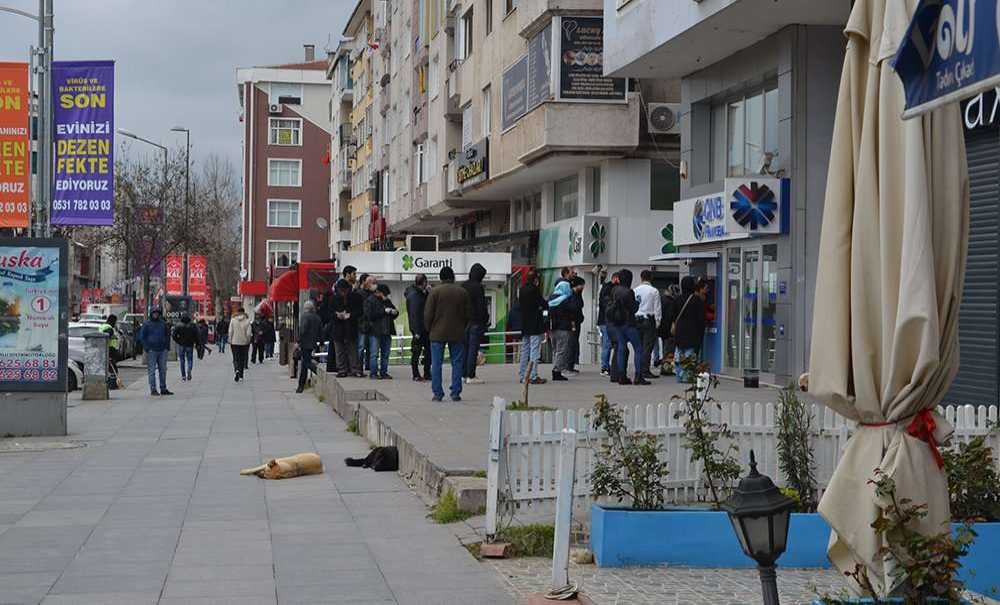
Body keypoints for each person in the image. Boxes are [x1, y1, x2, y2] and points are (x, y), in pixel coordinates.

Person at [424, 266, 471, 402]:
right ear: (453, 277)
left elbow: (428, 314)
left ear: (441, 278)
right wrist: (463, 327)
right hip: (457, 333)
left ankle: (438, 393)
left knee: (436, 363)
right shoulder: (462, 292)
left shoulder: (434, 292)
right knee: (457, 362)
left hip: (437, 333)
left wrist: (429, 329)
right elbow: (468, 314)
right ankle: (455, 392)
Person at [607, 269, 646, 385]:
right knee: (638, 348)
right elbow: (633, 308)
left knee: (621, 349)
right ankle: (638, 376)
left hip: (617, 324)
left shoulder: (614, 290)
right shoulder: (629, 292)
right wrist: (638, 302)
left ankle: (621, 376)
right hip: (628, 324)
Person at [672, 275, 706, 382]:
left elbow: (672, 316)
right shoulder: (697, 300)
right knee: (689, 355)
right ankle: (687, 376)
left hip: (679, 332)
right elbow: (701, 319)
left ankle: (679, 376)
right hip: (693, 332)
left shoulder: (677, 299)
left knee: (679, 355)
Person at [461, 263, 489, 385]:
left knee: (465, 349)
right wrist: (485, 319)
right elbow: (481, 306)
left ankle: (463, 374)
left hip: (463, 322)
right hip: (476, 322)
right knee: (473, 349)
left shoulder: (463, 285)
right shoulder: (478, 287)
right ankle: (471, 375)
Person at [517, 270, 547, 385]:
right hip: (535, 325)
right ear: (535, 280)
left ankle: (522, 375)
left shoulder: (522, 290)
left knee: (525, 350)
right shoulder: (534, 290)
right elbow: (543, 304)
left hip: (525, 324)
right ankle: (533, 375)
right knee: (534, 350)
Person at [364, 283, 398, 380]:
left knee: (386, 353)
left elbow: (394, 311)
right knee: (374, 353)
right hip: (375, 331)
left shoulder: (387, 301)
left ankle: (384, 372)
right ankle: (373, 372)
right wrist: (384, 311)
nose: (386, 296)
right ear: (378, 292)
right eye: (385, 294)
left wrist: (394, 312)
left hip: (387, 330)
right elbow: (369, 315)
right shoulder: (370, 301)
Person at [547, 280, 579, 382]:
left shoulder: (551, 298)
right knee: (562, 350)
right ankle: (556, 371)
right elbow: (574, 310)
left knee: (555, 349)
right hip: (564, 328)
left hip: (552, 328)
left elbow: (545, 312)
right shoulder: (567, 299)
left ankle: (556, 367)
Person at [331, 278, 363, 377]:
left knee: (352, 349)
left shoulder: (355, 297)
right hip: (338, 327)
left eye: (344, 290)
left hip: (351, 326)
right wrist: (337, 315)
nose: (343, 293)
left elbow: (360, 311)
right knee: (339, 350)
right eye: (341, 291)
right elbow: (328, 312)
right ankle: (342, 369)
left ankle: (355, 369)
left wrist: (350, 315)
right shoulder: (333, 298)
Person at [634, 270, 662, 380]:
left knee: (638, 347)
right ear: (651, 278)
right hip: (649, 320)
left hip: (636, 319)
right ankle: (645, 370)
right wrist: (657, 322)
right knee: (647, 347)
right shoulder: (654, 291)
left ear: (641, 277)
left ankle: (639, 369)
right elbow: (657, 309)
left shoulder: (635, 290)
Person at [138, 308, 172, 396]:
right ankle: (153, 389)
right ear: (151, 314)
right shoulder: (146, 324)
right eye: (154, 313)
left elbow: (167, 335)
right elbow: (142, 337)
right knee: (152, 371)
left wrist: (167, 347)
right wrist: (147, 348)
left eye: (157, 313)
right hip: (152, 350)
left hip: (162, 350)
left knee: (163, 370)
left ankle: (163, 388)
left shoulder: (163, 324)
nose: (156, 315)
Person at [405, 274, 431, 381]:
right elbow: (416, 314)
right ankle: (417, 374)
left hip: (421, 328)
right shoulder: (416, 296)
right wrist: (417, 331)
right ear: (424, 282)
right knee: (417, 352)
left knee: (422, 352)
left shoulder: (417, 294)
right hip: (420, 329)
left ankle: (424, 373)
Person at [296, 300, 323, 393]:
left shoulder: (304, 317)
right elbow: (321, 331)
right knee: (304, 364)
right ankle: (301, 385)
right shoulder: (317, 317)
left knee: (306, 362)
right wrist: (322, 342)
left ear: (306, 308)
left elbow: (303, 330)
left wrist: (298, 341)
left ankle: (318, 372)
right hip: (313, 343)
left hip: (305, 343)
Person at [597, 273, 619, 376]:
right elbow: (606, 304)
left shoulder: (606, 288)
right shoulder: (609, 289)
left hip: (604, 321)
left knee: (607, 344)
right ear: (615, 278)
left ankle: (606, 366)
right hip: (606, 321)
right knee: (607, 344)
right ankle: (604, 367)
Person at [658, 284, 681, 376]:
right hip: (669, 329)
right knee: (669, 350)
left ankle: (664, 367)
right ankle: (666, 369)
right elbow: (671, 316)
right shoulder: (671, 302)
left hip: (662, 328)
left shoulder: (662, 299)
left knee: (665, 348)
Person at [565, 276, 585, 376]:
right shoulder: (572, 296)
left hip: (576, 322)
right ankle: (568, 366)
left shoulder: (577, 294)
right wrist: (573, 323)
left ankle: (571, 365)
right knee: (571, 344)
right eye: (582, 285)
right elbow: (573, 309)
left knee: (574, 343)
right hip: (573, 323)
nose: (583, 287)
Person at [356, 273, 376, 375]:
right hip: (362, 324)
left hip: (369, 324)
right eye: (371, 283)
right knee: (361, 346)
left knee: (369, 347)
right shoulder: (360, 294)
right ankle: (359, 368)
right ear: (365, 283)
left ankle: (368, 366)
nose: (373, 285)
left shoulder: (373, 294)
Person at [228, 307, 253, 382]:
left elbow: (230, 331)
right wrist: (248, 341)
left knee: (235, 358)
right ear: (244, 312)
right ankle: (241, 375)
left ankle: (236, 370)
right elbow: (249, 334)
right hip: (244, 343)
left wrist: (230, 339)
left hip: (234, 342)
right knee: (242, 359)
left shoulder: (233, 320)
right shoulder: (247, 321)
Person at [172, 315, 199, 381]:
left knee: (182, 360)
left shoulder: (178, 326)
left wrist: (178, 341)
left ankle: (183, 376)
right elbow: (196, 335)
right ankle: (189, 369)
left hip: (181, 345)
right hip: (190, 345)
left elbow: (174, 335)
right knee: (190, 359)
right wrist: (196, 343)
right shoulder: (192, 326)